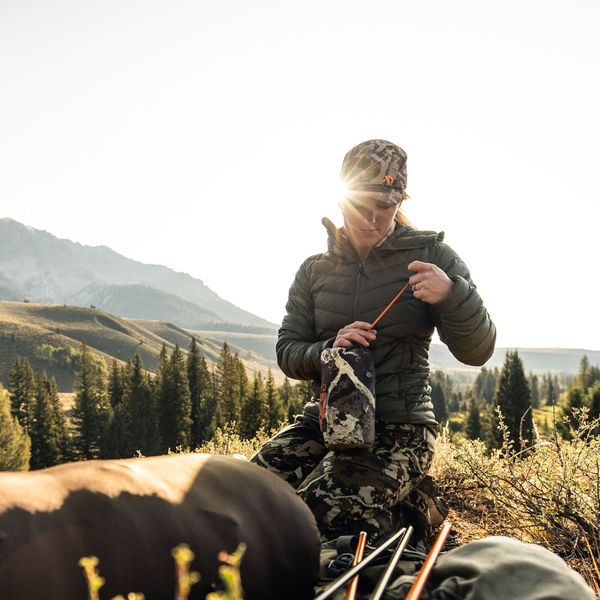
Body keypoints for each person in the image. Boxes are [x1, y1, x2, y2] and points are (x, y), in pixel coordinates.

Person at [251, 139, 496, 542]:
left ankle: (412, 512)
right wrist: (328, 350)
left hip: (401, 430)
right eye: (361, 204)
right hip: (326, 424)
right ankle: (400, 502)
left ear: (400, 201)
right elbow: (288, 351)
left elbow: (478, 351)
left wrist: (453, 295)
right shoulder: (314, 270)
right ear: (341, 197)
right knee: (247, 497)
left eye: (384, 206)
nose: (371, 218)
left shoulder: (434, 257)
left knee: (315, 513)